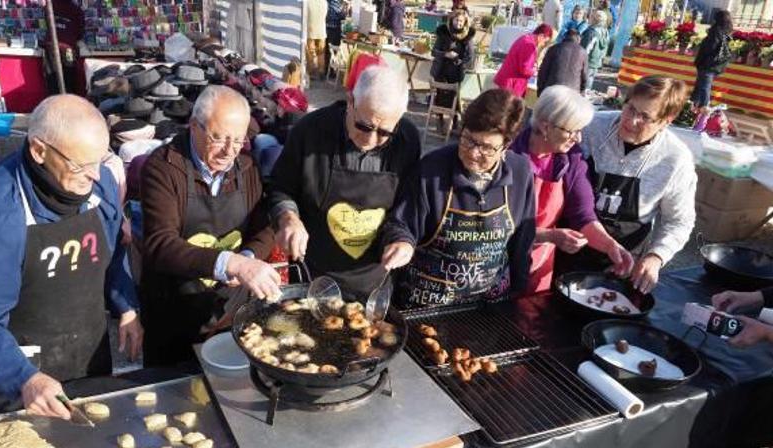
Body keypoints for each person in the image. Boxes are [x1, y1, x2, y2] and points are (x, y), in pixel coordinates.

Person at [0, 95, 142, 417]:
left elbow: (111, 252)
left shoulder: (101, 183)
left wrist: (126, 305)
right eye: (80, 165)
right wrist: (23, 377)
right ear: (39, 150)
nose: (95, 176)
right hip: (11, 372)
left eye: (101, 160)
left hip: (84, 351)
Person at [140, 86, 279, 366]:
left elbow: (266, 227)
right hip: (174, 316)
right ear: (194, 126)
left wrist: (248, 258)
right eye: (219, 138)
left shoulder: (248, 168)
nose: (229, 151)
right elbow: (160, 244)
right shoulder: (163, 168)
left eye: (238, 140)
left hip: (231, 312)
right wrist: (231, 263)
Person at [268, 66, 421, 298]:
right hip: (313, 273)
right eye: (364, 126)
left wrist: (403, 240)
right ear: (350, 101)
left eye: (384, 133)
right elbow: (280, 187)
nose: (370, 140)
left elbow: (406, 207)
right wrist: (288, 217)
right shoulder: (309, 131)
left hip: (374, 278)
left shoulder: (408, 141)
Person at [380, 89, 535, 308]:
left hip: (488, 306)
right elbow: (401, 222)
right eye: (468, 140)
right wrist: (402, 241)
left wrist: (519, 294)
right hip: (428, 305)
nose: (473, 153)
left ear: (505, 147)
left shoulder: (520, 173)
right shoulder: (432, 169)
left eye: (487, 148)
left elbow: (523, 241)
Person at [566, 75, 696, 294]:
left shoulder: (675, 159)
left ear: (667, 120)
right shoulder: (591, 128)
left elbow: (679, 221)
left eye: (645, 117)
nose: (631, 121)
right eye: (630, 109)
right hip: (571, 244)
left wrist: (656, 257)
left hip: (624, 261)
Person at [510, 85, 633, 292]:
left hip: (539, 263)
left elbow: (583, 215)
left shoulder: (571, 159)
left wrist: (610, 246)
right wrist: (549, 236)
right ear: (545, 126)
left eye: (580, 130)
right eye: (572, 131)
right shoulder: (509, 157)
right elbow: (496, 226)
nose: (578, 138)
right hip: (501, 260)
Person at [430, 10, 476, 108]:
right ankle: (440, 117)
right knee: (440, 96)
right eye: (456, 20)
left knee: (453, 98)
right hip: (440, 70)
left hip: (456, 72)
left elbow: (470, 56)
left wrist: (460, 61)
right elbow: (434, 52)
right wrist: (446, 54)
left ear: (465, 22)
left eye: (461, 21)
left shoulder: (468, 36)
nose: (458, 23)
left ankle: (454, 119)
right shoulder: (444, 32)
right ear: (451, 20)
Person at [494, 24, 553, 98]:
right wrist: (535, 72)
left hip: (507, 80)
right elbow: (525, 69)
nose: (543, 44)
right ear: (541, 36)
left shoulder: (524, 38)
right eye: (545, 41)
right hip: (511, 84)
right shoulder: (530, 45)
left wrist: (532, 65)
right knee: (506, 108)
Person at [691, 10, 732, 110]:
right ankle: (692, 105)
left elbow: (711, 47)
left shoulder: (716, 30)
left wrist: (702, 55)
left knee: (704, 87)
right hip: (716, 64)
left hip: (708, 64)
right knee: (699, 85)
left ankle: (703, 108)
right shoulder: (726, 31)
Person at [537, 30, 587, 95]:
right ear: (578, 39)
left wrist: (540, 89)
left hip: (552, 88)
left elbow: (543, 71)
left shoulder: (554, 48)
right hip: (572, 91)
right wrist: (582, 92)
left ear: (564, 37)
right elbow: (584, 76)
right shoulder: (583, 52)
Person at [581, 10, 610, 94]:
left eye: (591, 17)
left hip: (588, 61)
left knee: (582, 84)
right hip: (597, 61)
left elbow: (585, 48)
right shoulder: (605, 32)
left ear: (594, 19)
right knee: (589, 84)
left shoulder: (591, 32)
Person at [307, 0, 329, 79]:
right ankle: (321, 72)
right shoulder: (324, 2)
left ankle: (311, 73)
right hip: (322, 31)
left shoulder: (307, 2)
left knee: (311, 54)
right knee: (321, 53)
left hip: (310, 31)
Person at [325, 0, 346, 75]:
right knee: (333, 51)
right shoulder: (336, 4)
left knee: (327, 51)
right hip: (334, 30)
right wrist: (345, 8)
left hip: (326, 29)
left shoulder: (326, 2)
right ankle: (331, 71)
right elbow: (343, 16)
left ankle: (326, 70)